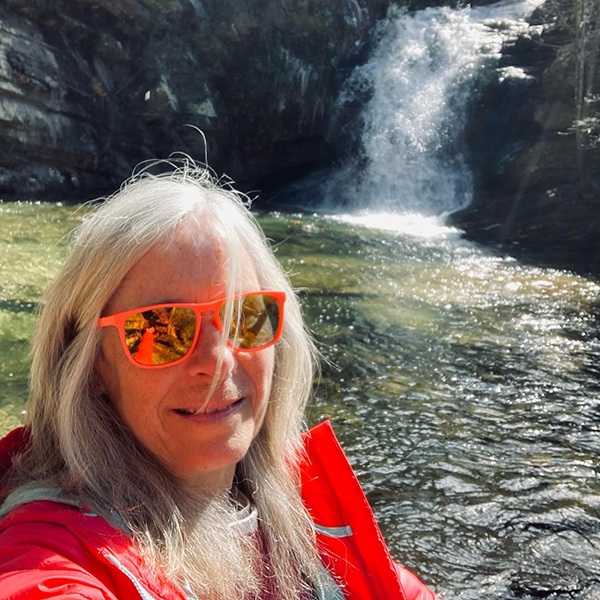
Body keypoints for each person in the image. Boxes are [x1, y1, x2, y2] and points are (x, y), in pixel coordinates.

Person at [0, 163, 439, 600]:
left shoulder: (304, 504)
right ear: (93, 363)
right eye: (164, 329)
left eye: (245, 317)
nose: (218, 361)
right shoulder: (48, 552)